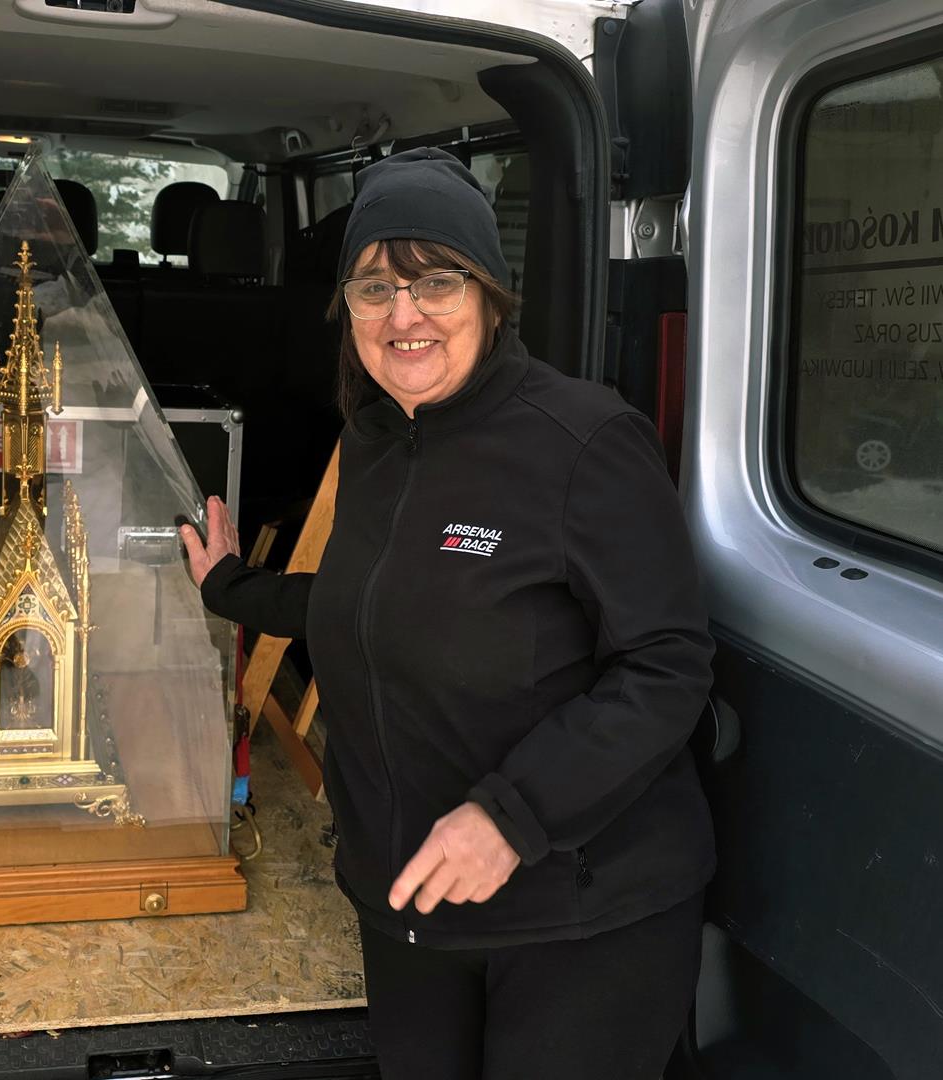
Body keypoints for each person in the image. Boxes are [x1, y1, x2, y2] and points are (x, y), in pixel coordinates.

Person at [179, 148, 715, 1080]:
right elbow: (375, 601)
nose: (405, 315)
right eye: (374, 289)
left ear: (490, 297)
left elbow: (667, 665)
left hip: (577, 915)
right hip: (410, 903)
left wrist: (512, 817)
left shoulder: (586, 440)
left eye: (436, 281)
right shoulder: (376, 436)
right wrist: (232, 587)